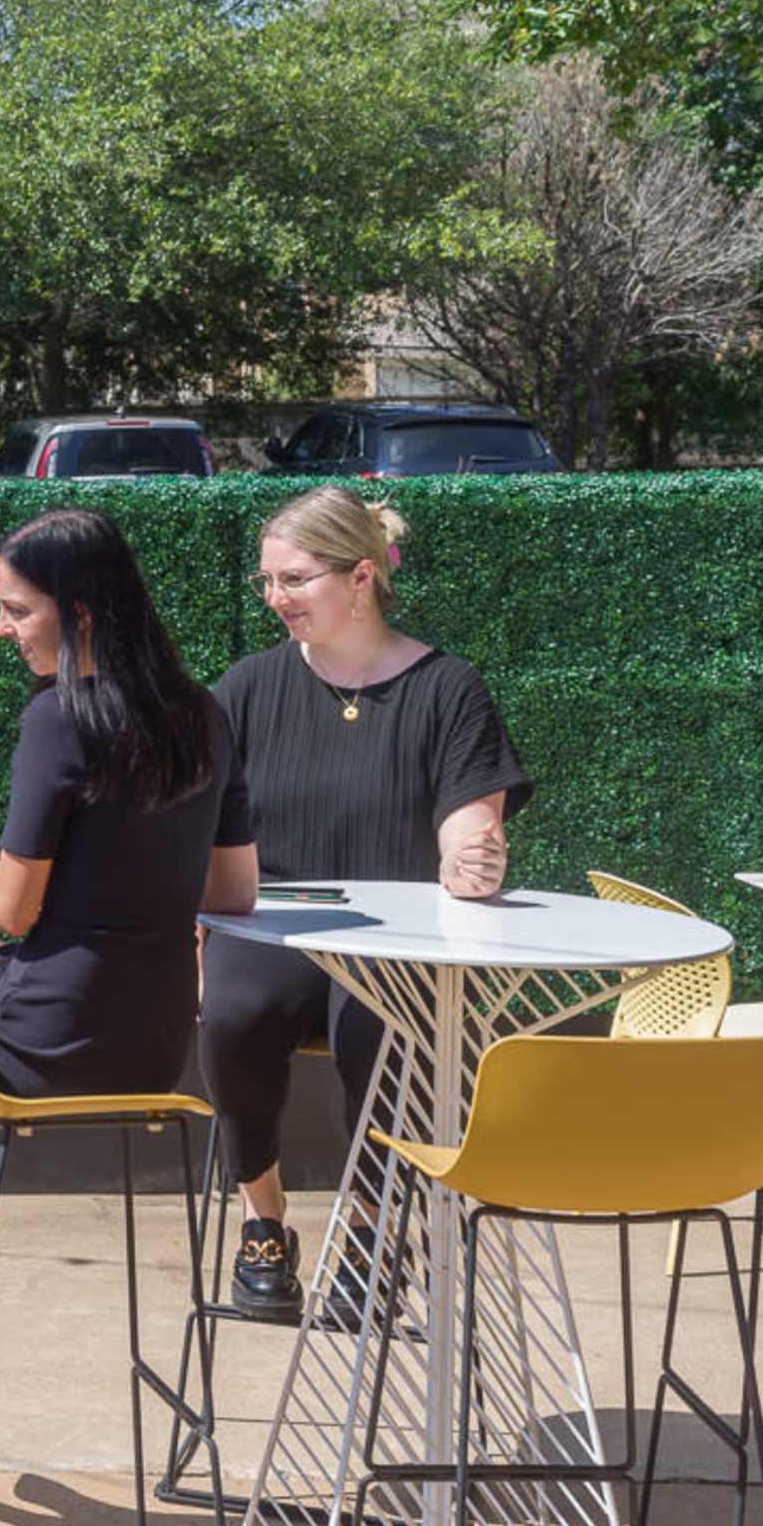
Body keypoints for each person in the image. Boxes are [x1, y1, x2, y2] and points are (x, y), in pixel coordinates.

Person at [0, 510, 261, 1333]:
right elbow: (233, 893)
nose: (1, 628)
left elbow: (12, 909)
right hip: (153, 1046)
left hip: (51, 1032)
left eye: (17, 609)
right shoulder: (203, 715)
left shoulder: (59, 715)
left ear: (79, 611)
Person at [200, 487, 530, 1322]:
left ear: (359, 578)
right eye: (266, 580)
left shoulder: (447, 687)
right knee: (234, 1012)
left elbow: (469, 830)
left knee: (376, 1025)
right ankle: (262, 1224)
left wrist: (474, 856)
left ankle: (375, 1235)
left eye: (295, 579)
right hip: (271, 922)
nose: (276, 598)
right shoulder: (245, 689)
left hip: (400, 938)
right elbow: (197, 828)